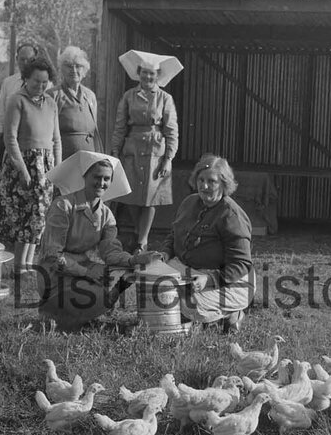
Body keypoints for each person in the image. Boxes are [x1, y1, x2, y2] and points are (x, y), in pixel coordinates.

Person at [36, 151, 160, 332]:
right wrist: (86, 272)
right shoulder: (63, 206)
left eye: (106, 179)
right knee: (95, 295)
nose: (101, 183)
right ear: (84, 176)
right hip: (54, 273)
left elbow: (110, 250)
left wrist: (134, 260)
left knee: (109, 280)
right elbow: (53, 255)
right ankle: (56, 315)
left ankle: (79, 317)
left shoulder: (106, 215)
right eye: (97, 177)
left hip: (82, 269)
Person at [152, 153, 254, 333]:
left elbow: (242, 264)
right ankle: (208, 319)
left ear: (224, 183)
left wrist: (210, 279)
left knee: (185, 302)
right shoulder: (189, 202)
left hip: (230, 281)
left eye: (212, 181)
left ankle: (232, 314)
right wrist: (165, 254)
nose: (204, 186)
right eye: (201, 179)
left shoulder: (231, 216)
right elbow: (174, 234)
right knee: (156, 288)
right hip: (187, 269)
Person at [0, 56, 61, 276]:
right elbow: (9, 138)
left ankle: (28, 263)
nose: (40, 86)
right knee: (23, 215)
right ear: (25, 79)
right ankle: (19, 266)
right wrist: (22, 169)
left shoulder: (51, 103)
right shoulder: (17, 100)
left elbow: (56, 140)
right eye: (36, 82)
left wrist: (57, 170)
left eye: (45, 82)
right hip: (23, 164)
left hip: (46, 165)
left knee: (38, 216)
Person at [109, 49, 182, 254]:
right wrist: (115, 151)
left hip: (155, 151)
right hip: (131, 149)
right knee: (131, 196)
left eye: (152, 74)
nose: (148, 77)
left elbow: (171, 130)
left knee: (151, 198)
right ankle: (137, 230)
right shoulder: (128, 96)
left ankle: (142, 240)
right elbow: (120, 126)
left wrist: (168, 158)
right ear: (138, 73)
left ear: (158, 76)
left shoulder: (165, 98)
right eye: (144, 73)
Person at [0, 42, 50, 169]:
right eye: (22, 59)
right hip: (10, 136)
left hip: (34, 139)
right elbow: (1, 110)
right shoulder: (8, 83)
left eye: (30, 60)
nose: (26, 63)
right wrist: (0, 133)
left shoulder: (45, 84)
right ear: (16, 59)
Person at [49, 46, 102, 158]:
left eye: (78, 66)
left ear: (84, 70)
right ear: (62, 69)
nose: (73, 70)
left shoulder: (90, 96)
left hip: (89, 158)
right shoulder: (53, 95)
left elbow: (94, 131)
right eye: (69, 66)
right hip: (64, 159)